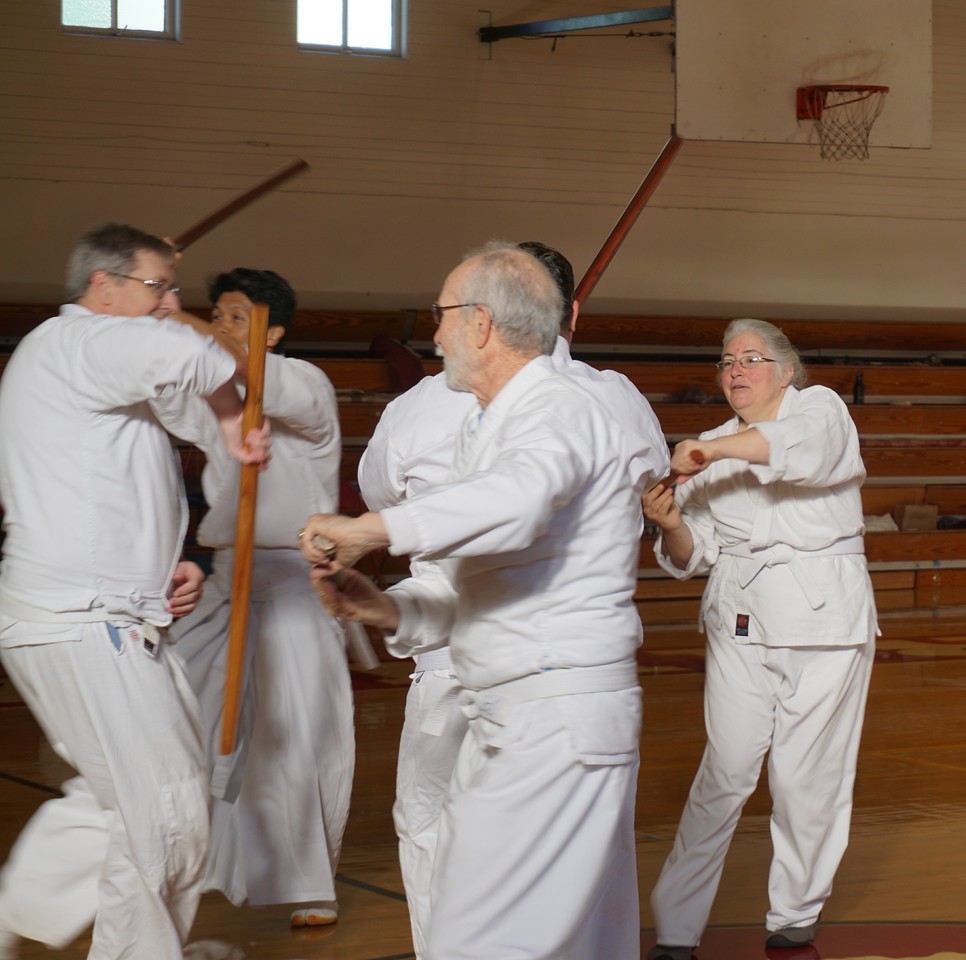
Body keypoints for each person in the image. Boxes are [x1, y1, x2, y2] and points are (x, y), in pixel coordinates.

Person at [301, 241, 654, 960]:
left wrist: (372, 529)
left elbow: (520, 501)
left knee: (478, 940)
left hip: (556, 716)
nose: (433, 334)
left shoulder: (565, 407)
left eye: (442, 315)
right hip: (514, 710)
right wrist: (388, 607)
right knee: (532, 936)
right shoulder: (483, 423)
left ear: (483, 323)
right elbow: (476, 576)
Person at [0, 223, 270, 960]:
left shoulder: (87, 359)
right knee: (167, 810)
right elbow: (193, 354)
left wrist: (167, 560)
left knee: (123, 798)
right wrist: (204, 340)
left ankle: (13, 915)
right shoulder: (82, 342)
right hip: (84, 619)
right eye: (160, 285)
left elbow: (189, 400)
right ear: (103, 286)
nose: (172, 300)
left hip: (105, 613)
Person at [642, 318, 878, 960]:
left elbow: (795, 451)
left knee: (807, 776)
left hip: (822, 618)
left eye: (751, 358)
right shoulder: (712, 445)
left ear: (785, 371)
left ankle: (795, 912)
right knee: (723, 770)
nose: (736, 369)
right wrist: (668, 523)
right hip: (739, 619)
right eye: (725, 362)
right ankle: (676, 927)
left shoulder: (819, 409)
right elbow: (696, 554)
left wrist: (710, 454)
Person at [153, 267, 354, 928]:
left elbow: (249, 374)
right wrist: (149, 313)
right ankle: (186, 863)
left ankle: (310, 884)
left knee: (303, 736)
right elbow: (167, 393)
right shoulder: (215, 393)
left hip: (297, 583)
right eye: (219, 313)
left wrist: (179, 319)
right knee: (179, 722)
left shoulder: (305, 386)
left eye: (238, 316)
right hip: (225, 581)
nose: (223, 327)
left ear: (277, 331)